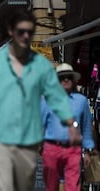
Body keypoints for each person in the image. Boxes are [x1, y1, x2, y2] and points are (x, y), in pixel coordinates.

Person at [0, 10, 81, 191]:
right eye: (20, 31)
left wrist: (72, 124)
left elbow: (56, 97)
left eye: (29, 32)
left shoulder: (40, 65)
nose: (25, 36)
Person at [41, 63, 95, 191]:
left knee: (73, 186)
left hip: (73, 149)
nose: (66, 80)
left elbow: (86, 127)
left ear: (73, 80)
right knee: (51, 186)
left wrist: (88, 150)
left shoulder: (81, 101)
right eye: (62, 77)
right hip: (51, 148)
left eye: (69, 77)